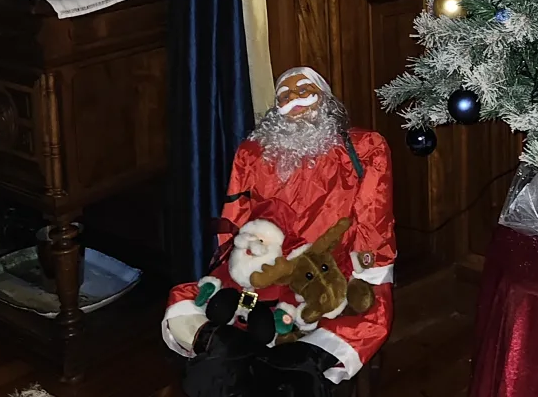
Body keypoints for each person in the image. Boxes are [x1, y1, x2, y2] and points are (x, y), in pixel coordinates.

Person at [163, 67, 396, 395]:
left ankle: (294, 365)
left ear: (325, 98)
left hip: (328, 265)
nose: (294, 101)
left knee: (360, 312)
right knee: (196, 302)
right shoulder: (253, 153)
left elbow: (374, 220)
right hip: (264, 264)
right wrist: (230, 266)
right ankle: (230, 350)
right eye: (284, 96)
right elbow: (235, 218)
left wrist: (369, 272)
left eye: (303, 90)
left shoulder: (365, 148)